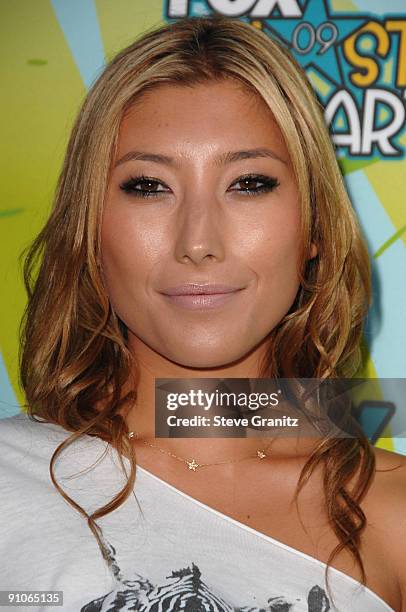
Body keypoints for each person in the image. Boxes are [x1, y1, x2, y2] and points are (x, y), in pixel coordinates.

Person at [0, 15, 405, 612]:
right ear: (91, 228)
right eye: (148, 186)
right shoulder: (11, 479)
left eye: (248, 183)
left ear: (314, 227)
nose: (198, 241)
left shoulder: (394, 512)